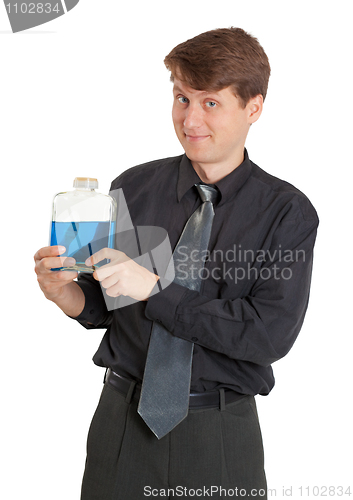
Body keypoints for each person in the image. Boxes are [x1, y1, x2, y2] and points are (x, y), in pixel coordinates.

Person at [34, 27, 319, 499]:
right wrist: (68, 295)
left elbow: (268, 333)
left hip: (220, 436)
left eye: (210, 103)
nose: (190, 119)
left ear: (254, 107)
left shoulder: (287, 212)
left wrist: (157, 290)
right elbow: (111, 306)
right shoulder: (134, 187)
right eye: (182, 98)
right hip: (121, 424)